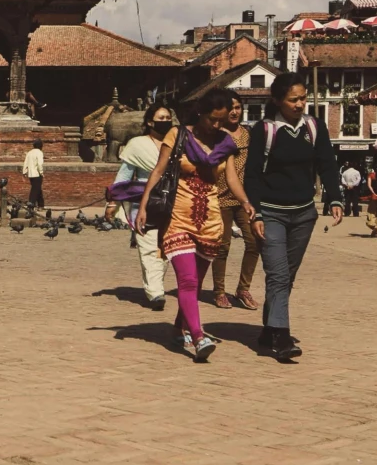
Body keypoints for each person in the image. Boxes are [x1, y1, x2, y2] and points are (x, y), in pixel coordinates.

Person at [245, 75, 336, 362]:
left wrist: (334, 197)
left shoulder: (314, 127)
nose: (299, 104)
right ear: (277, 101)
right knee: (279, 274)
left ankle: (268, 328)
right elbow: (252, 174)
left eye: (303, 98)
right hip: (270, 212)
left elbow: (327, 163)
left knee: (287, 276)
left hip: (303, 213)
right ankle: (282, 338)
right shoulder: (263, 130)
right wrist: (256, 212)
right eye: (293, 100)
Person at [146, 101, 237, 362]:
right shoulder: (178, 135)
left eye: (223, 121)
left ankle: (178, 327)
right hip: (178, 217)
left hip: (209, 220)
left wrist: (247, 203)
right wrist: (142, 206)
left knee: (194, 284)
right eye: (214, 120)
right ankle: (198, 337)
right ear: (201, 114)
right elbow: (159, 170)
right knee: (187, 281)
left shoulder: (225, 143)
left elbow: (231, 180)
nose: (218, 125)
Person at [112, 104, 179, 310]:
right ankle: (155, 292)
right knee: (148, 245)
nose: (165, 120)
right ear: (150, 122)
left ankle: (156, 282)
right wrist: (112, 201)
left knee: (166, 247)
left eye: (168, 116)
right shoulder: (137, 144)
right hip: (144, 199)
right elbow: (124, 174)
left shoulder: (178, 141)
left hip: (173, 200)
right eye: (161, 117)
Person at [201, 94, 263, 312]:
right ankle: (219, 291)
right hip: (220, 198)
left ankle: (243, 289)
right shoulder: (216, 136)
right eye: (231, 108)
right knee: (222, 247)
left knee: (255, 241)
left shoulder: (249, 134)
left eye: (238, 107)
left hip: (245, 199)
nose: (235, 112)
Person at [334, 162, 362, 227]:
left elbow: (342, 180)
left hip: (347, 187)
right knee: (355, 201)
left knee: (347, 200)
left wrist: (346, 185)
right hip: (354, 187)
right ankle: (355, 213)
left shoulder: (345, 172)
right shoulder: (356, 172)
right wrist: (353, 185)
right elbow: (359, 179)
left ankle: (347, 212)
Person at [22, 143, 46, 210]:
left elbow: (25, 163)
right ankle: (31, 204)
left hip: (31, 174)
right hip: (37, 174)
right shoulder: (39, 153)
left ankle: (41, 204)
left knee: (37, 188)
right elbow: (40, 164)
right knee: (35, 190)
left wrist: (24, 172)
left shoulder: (29, 153)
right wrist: (41, 172)